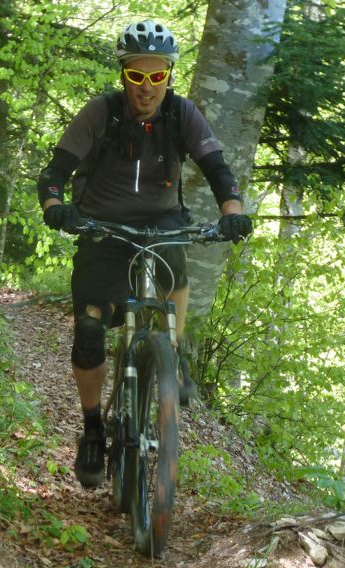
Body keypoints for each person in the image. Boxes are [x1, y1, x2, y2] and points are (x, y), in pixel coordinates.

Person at [36, 20, 253, 489]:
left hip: (161, 221)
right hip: (101, 225)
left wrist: (232, 212)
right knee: (91, 328)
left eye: (158, 76)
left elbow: (218, 169)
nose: (147, 87)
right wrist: (57, 208)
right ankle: (93, 428)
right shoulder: (100, 114)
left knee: (175, 260)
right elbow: (53, 173)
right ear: (124, 76)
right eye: (138, 76)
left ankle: (172, 356)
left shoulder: (182, 114)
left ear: (170, 77)